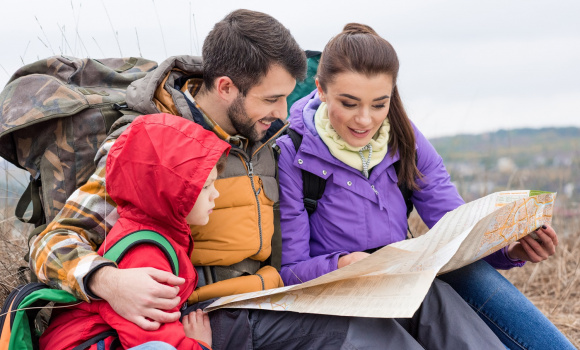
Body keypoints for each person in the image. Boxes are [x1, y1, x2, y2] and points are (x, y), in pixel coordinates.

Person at [29, 9, 432, 350]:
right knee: (370, 337)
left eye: (287, 97)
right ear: (225, 87)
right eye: (271, 99)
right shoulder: (156, 146)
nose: (282, 111)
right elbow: (52, 242)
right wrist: (109, 281)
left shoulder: (270, 139)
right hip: (200, 319)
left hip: (274, 299)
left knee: (407, 317)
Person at [276, 23, 575, 349]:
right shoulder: (291, 154)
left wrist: (510, 249)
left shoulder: (405, 139)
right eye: (349, 103)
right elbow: (289, 270)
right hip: (337, 294)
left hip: (405, 278)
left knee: (469, 276)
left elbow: (458, 232)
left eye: (379, 104)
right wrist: (342, 264)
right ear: (320, 89)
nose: (364, 120)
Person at [39, 113, 230, 349]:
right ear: (168, 192)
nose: (216, 194)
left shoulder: (157, 231)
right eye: (207, 186)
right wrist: (200, 345)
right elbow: (154, 338)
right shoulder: (146, 252)